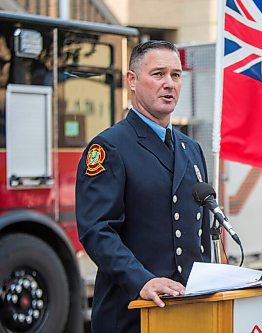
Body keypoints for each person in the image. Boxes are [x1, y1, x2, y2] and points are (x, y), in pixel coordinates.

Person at [76, 40, 211, 333]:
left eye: (176, 75)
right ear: (132, 81)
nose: (169, 84)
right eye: (158, 74)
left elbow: (199, 233)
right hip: (131, 314)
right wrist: (142, 280)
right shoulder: (110, 147)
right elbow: (97, 230)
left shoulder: (191, 149)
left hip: (187, 312)